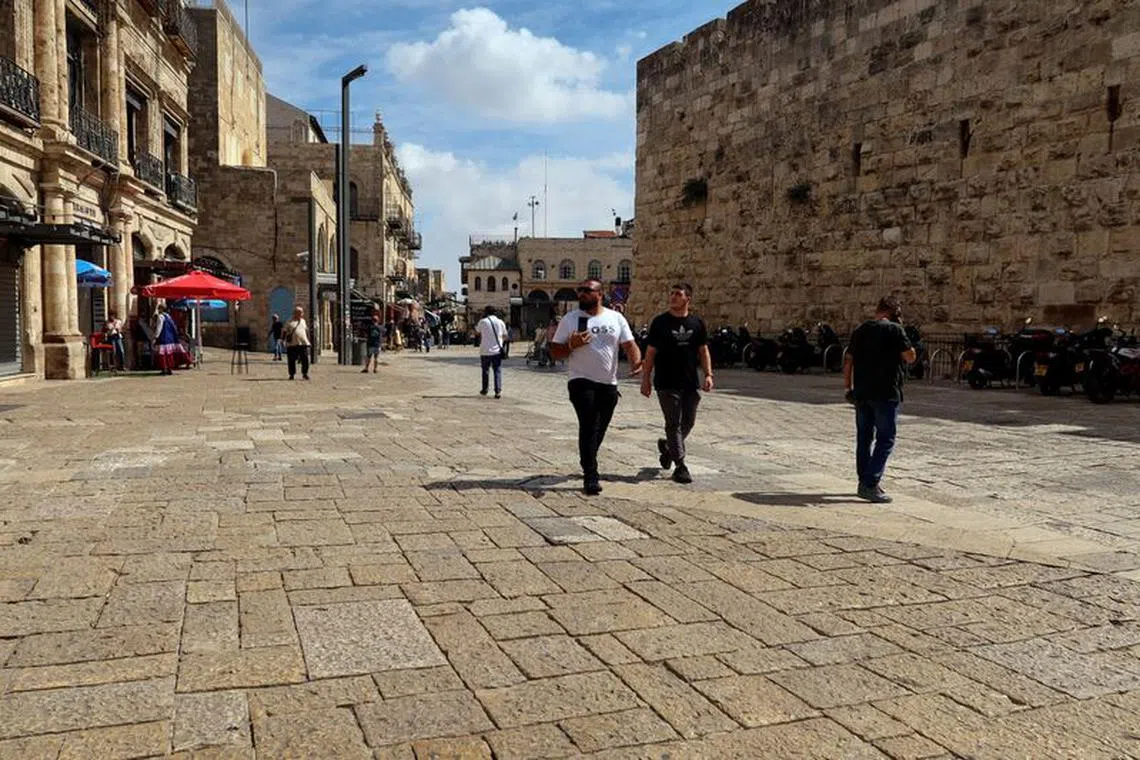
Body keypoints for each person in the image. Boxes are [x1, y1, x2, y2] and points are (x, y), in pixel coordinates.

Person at [550, 279, 642, 495]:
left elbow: (629, 344)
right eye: (579, 290)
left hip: (608, 384)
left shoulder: (615, 318)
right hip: (580, 381)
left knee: (599, 428)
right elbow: (554, 352)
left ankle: (586, 458)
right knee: (589, 423)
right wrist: (571, 344)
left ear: (600, 294)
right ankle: (591, 475)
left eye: (587, 291)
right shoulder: (570, 319)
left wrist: (637, 363)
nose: (581, 294)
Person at [844, 295, 917, 503]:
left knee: (864, 438)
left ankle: (864, 479)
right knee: (886, 439)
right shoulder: (895, 330)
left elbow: (848, 360)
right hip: (885, 394)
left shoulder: (861, 330)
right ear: (895, 313)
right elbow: (909, 357)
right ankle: (869, 483)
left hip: (862, 393)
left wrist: (847, 388)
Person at [639, 282, 713, 485]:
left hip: (690, 382)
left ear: (687, 298)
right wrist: (646, 379)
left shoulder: (697, 323)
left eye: (678, 294)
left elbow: (703, 350)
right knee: (673, 424)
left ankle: (668, 449)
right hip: (666, 382)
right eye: (671, 294)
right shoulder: (660, 323)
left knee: (688, 422)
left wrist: (708, 374)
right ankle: (680, 466)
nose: (673, 297)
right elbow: (651, 352)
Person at [475, 305, 508, 398]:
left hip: (485, 350)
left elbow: (477, 332)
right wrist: (500, 341)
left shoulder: (482, 321)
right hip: (497, 351)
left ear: (485, 312)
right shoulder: (500, 322)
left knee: (485, 371)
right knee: (497, 370)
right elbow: (505, 335)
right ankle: (498, 391)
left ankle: (485, 390)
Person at [283, 306, 311, 380]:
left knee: (305, 359)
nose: (302, 314)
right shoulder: (289, 321)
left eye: (302, 312)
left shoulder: (303, 321)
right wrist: (283, 340)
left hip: (303, 343)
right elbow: (284, 331)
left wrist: (307, 340)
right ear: (295, 313)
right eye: (300, 312)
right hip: (292, 344)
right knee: (291, 360)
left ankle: (305, 373)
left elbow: (306, 330)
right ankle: (292, 374)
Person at [152, 303, 180, 376]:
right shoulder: (168, 316)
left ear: (161, 309)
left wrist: (156, 336)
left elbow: (159, 327)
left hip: (163, 338)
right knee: (169, 355)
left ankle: (164, 369)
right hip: (170, 338)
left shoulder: (160, 317)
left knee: (163, 355)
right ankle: (169, 368)